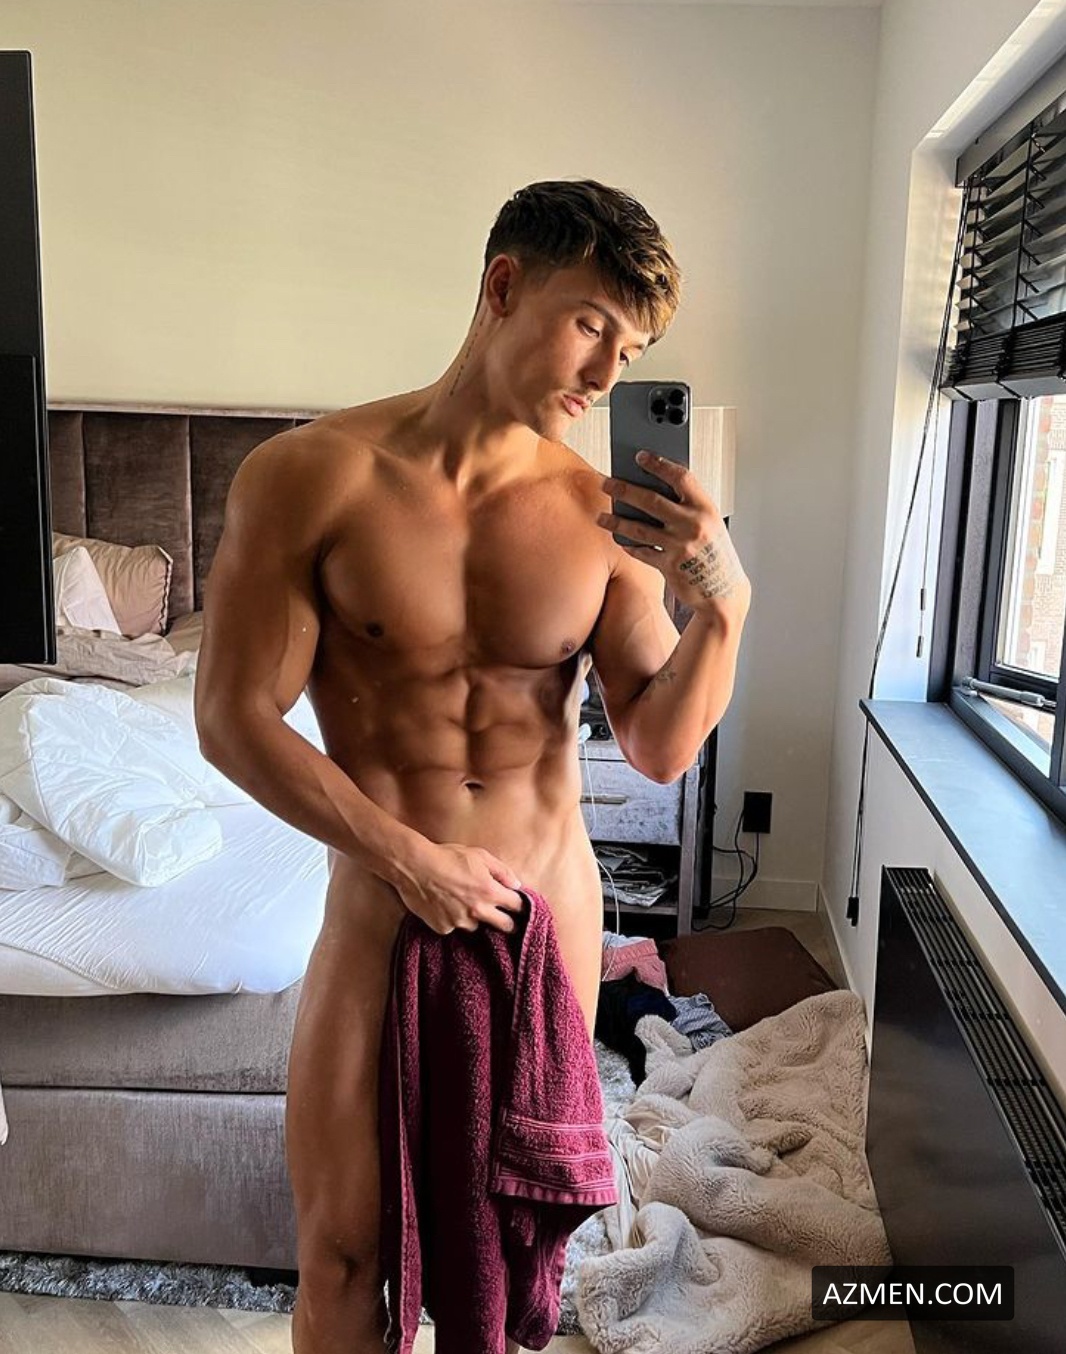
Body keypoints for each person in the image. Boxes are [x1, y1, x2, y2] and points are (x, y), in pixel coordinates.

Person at [195, 178, 751, 1354]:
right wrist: (409, 859)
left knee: (505, 1254)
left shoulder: (605, 514)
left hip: (545, 921)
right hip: (381, 910)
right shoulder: (309, 476)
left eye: (630, 350)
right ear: (503, 286)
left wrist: (724, 604)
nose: (604, 373)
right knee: (341, 1249)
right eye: (591, 323)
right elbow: (233, 716)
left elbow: (657, 745)